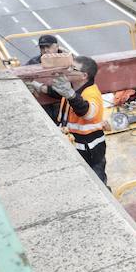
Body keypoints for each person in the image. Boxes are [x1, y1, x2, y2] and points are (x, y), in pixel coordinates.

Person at [33, 55, 107, 185]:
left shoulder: (91, 93)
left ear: (84, 75)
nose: (69, 70)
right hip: (76, 144)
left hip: (91, 150)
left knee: (97, 182)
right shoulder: (74, 88)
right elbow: (57, 92)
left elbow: (87, 112)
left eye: (73, 68)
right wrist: (37, 86)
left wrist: (70, 95)